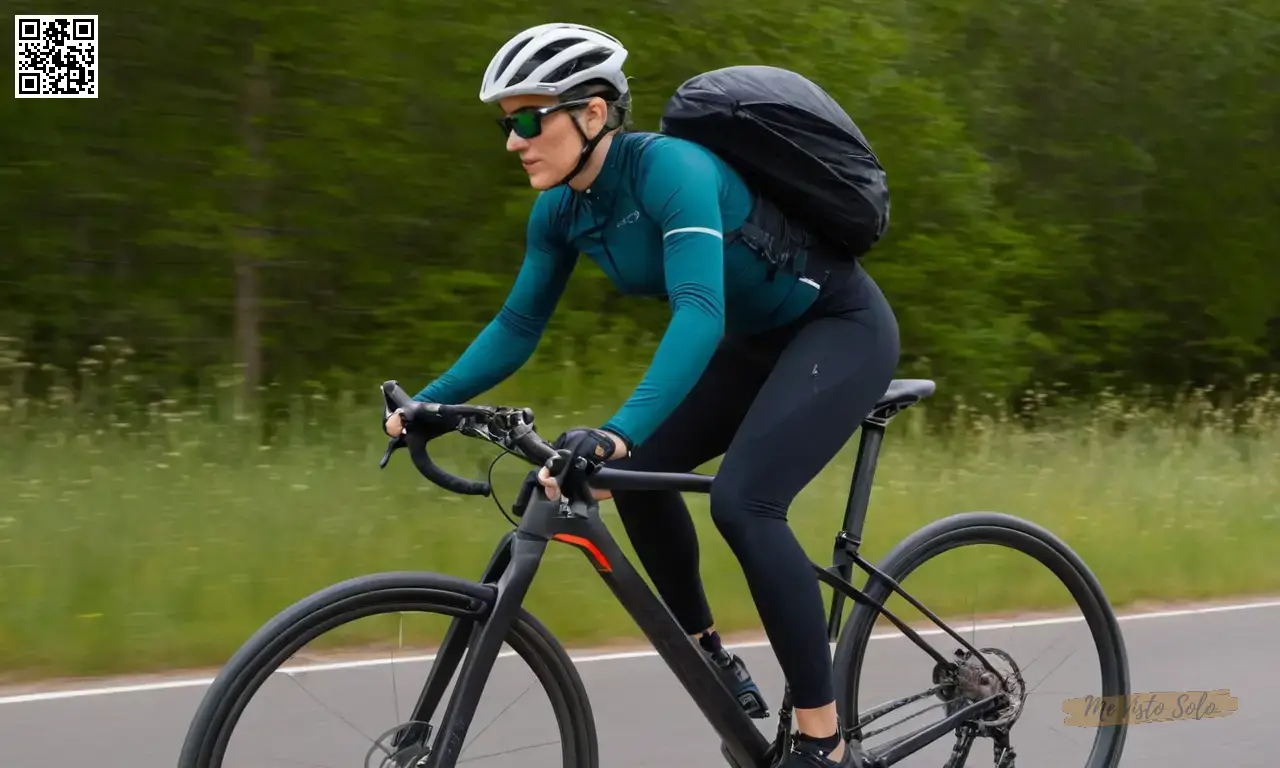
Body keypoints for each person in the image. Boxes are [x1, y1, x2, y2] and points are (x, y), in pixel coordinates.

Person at [383, 22, 900, 768]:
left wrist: (617, 428)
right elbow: (518, 323)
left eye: (529, 120)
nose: (512, 141)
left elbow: (700, 309)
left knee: (744, 505)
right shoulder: (560, 208)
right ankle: (710, 654)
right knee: (637, 475)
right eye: (506, 123)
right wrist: (428, 404)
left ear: (593, 114)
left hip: (837, 328)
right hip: (757, 346)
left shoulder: (673, 172)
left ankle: (825, 742)